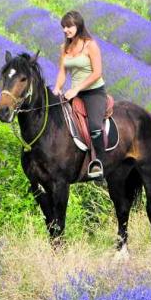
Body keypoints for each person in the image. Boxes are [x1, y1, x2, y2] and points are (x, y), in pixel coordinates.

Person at [52, 11, 106, 179]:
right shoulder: (64, 48)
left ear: (78, 26)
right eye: (63, 27)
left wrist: (76, 89)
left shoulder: (90, 45)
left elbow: (97, 73)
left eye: (69, 26)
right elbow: (62, 72)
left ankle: (100, 164)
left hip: (93, 92)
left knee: (95, 126)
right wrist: (57, 88)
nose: (65, 30)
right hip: (73, 93)